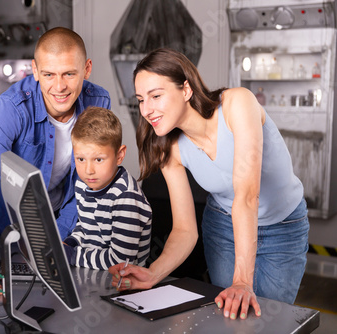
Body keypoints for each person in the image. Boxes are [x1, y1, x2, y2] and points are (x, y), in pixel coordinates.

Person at [109, 48, 309, 321]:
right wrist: (152, 273)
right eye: (141, 99)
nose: (146, 110)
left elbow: (248, 197)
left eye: (156, 96)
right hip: (223, 227)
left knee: (270, 320)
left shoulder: (237, 104)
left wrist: (241, 281)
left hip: (283, 228)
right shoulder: (169, 147)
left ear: (186, 90)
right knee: (232, 318)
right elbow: (184, 230)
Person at [0, 27, 111, 308]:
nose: (59, 86)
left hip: (54, 226)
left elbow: (86, 183)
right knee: (1, 306)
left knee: (61, 307)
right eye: (49, 74)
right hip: (2, 228)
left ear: (86, 69)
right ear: (35, 70)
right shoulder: (11, 108)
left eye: (69, 74)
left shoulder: (98, 102)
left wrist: (58, 241)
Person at [62, 106, 152, 270]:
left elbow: (121, 262)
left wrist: (73, 256)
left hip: (122, 283)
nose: (88, 170)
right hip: (91, 273)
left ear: (119, 155)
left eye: (98, 160)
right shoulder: (84, 184)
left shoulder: (126, 197)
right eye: (81, 159)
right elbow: (86, 226)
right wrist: (71, 243)